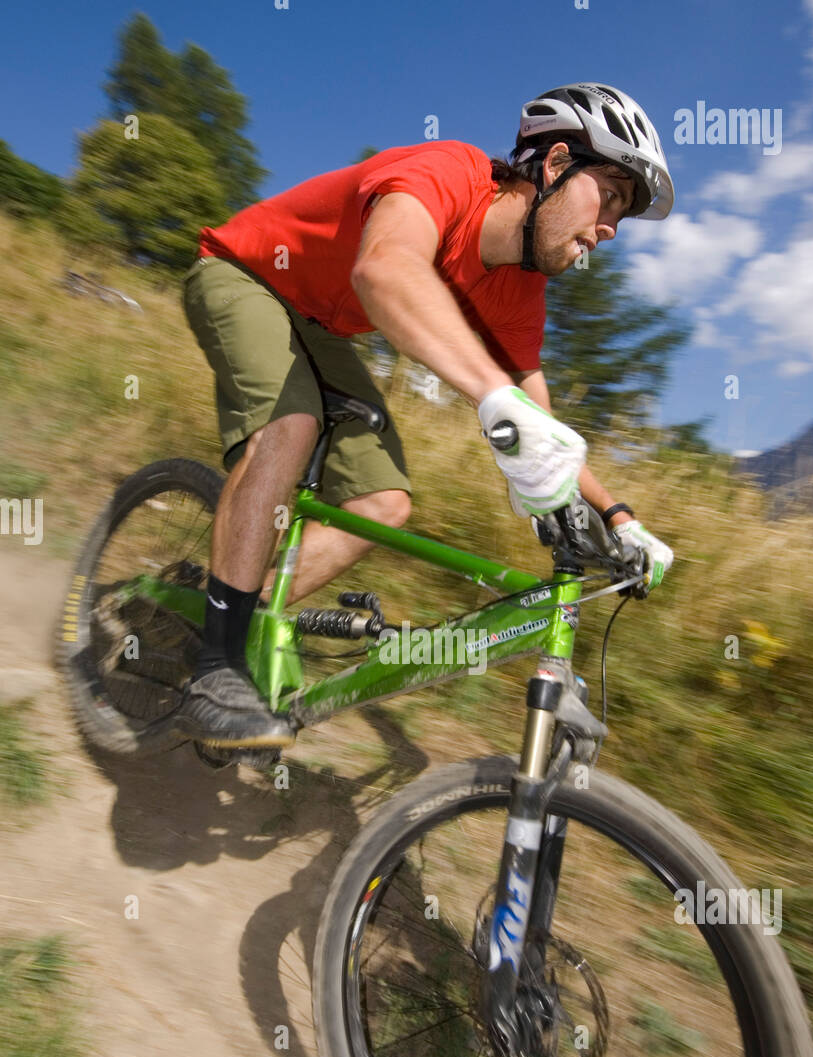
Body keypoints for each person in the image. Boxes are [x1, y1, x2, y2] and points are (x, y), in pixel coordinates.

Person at [179, 82, 675, 746]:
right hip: (243, 274)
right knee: (290, 425)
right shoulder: (447, 172)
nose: (609, 228)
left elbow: (538, 417)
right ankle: (215, 666)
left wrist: (616, 515)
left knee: (381, 504)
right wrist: (493, 399)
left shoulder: (519, 287)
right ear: (555, 165)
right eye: (609, 196)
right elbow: (383, 269)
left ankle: (231, 608)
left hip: (320, 325)